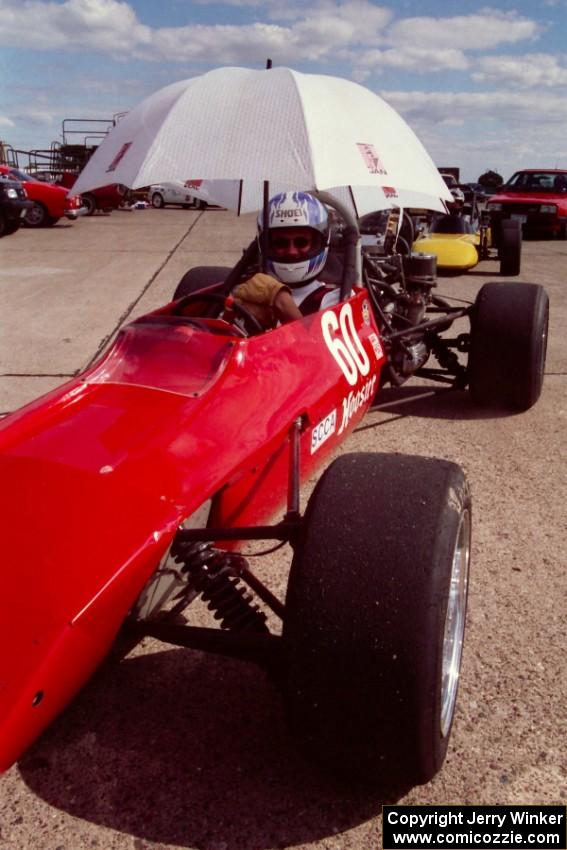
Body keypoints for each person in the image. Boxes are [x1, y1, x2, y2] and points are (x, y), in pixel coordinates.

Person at [231, 191, 340, 329]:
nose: (291, 251)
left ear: (320, 242)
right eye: (281, 243)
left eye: (301, 242)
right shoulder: (247, 291)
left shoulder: (335, 299)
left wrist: (281, 301)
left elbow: (319, 348)